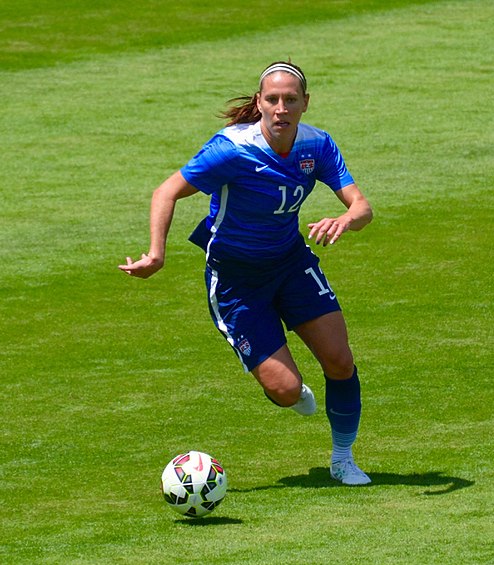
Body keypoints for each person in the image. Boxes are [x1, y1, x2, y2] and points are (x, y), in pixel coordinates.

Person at [119, 61, 373, 485]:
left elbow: (362, 207)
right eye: (271, 99)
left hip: (291, 264)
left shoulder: (318, 146)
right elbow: (167, 190)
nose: (280, 108)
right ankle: (292, 392)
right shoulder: (231, 150)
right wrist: (156, 253)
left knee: (339, 359)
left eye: (290, 99)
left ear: (305, 104)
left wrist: (347, 219)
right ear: (259, 103)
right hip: (236, 281)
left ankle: (343, 459)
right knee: (286, 391)